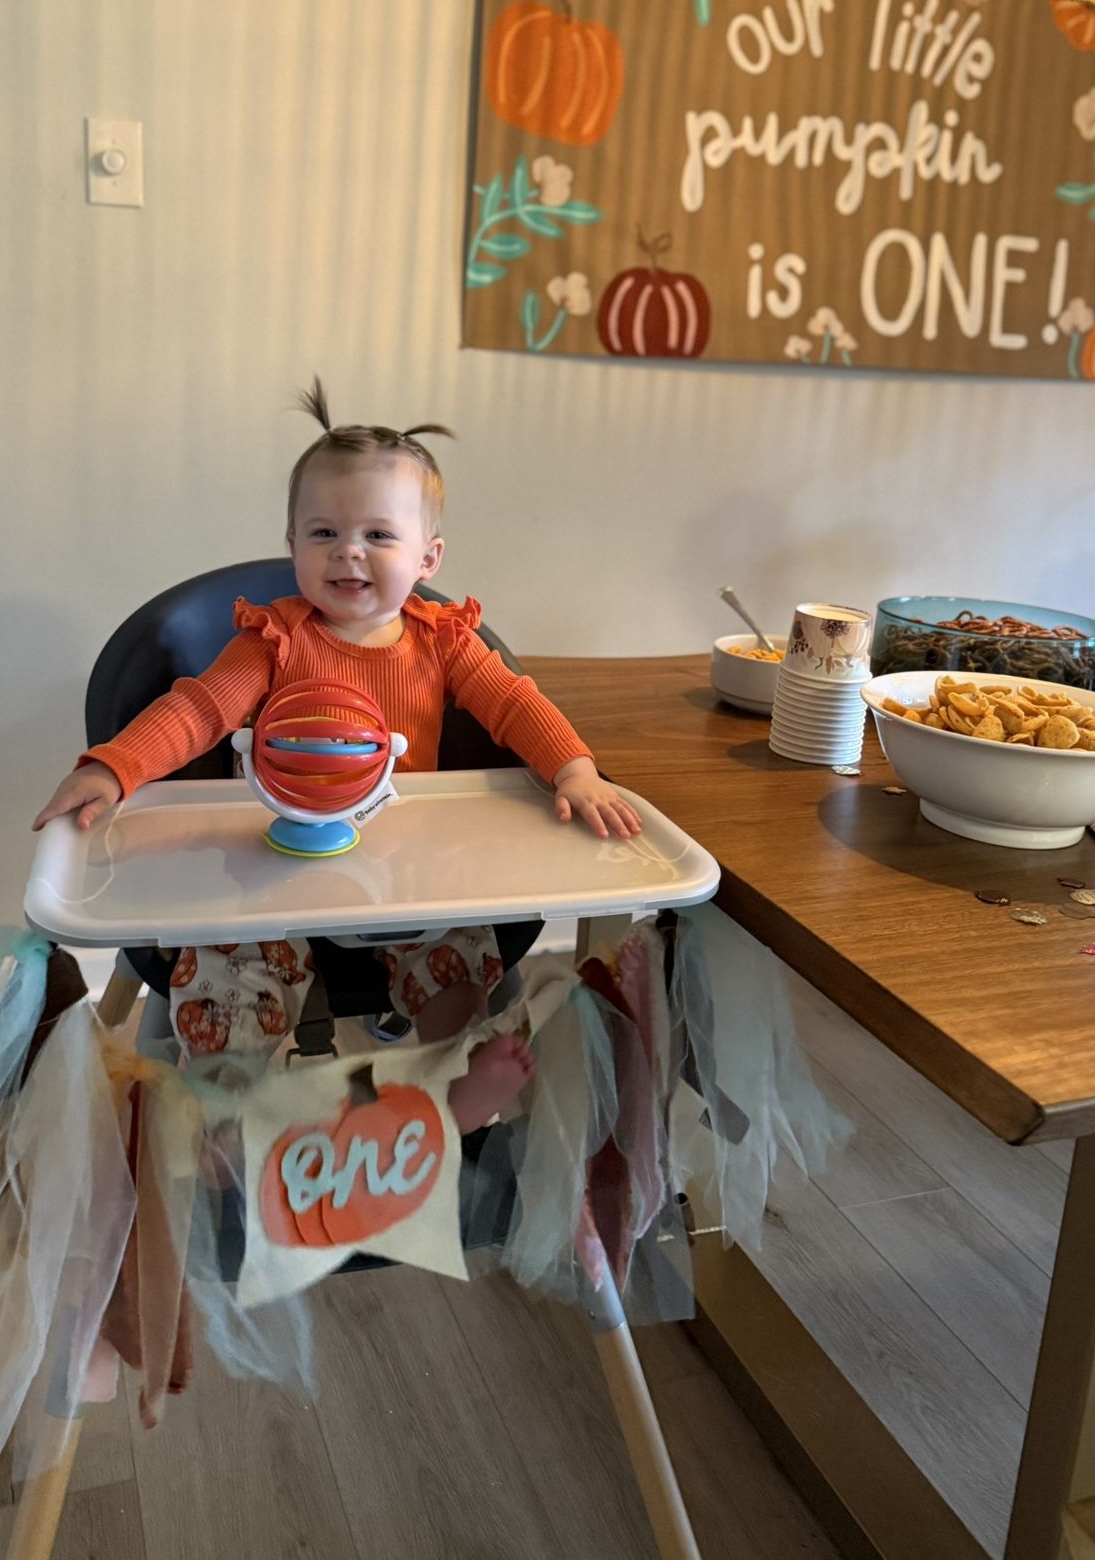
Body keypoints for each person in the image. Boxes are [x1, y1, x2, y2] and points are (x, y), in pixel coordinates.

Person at [33, 381, 641, 1130]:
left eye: (378, 535)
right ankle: (228, 1107)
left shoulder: (444, 642)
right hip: (270, 859)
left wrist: (574, 769)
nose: (349, 550)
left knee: (453, 955)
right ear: (292, 544)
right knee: (231, 967)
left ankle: (451, 1083)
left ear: (427, 557)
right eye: (324, 532)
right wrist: (113, 766)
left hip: (404, 866)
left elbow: (515, 704)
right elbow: (198, 710)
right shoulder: (274, 641)